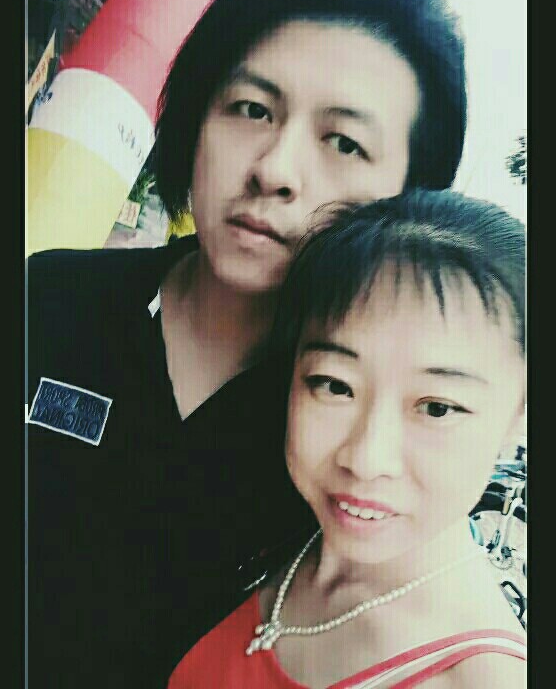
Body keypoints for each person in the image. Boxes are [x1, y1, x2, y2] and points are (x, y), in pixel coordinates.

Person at [27, 0, 466, 686]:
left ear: (410, 198)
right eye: (251, 109)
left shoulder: (365, 439)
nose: (275, 169)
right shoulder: (50, 299)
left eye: (343, 142)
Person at [168, 190, 526, 688]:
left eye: (437, 408)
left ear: (519, 416)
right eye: (335, 385)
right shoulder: (264, 524)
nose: (365, 459)